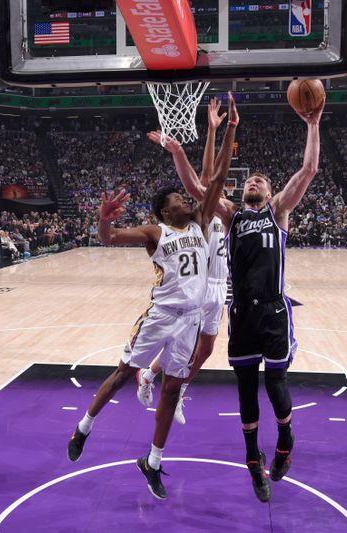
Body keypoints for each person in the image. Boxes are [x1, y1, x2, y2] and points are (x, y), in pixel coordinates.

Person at [67, 93, 238, 501]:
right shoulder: (154, 232)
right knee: (125, 373)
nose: (186, 199)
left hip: (191, 319)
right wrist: (103, 221)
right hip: (161, 314)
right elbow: (109, 239)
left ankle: (154, 461)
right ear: (164, 211)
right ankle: (84, 427)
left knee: (172, 389)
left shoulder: (201, 220)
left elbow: (213, 179)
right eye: (177, 198)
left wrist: (229, 129)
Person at [207, 93, 326, 502]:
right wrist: (212, 133)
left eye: (262, 179)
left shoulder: (277, 211)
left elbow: (309, 169)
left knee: (275, 384)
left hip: (274, 311)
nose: (254, 180)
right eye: (250, 180)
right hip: (240, 313)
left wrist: (312, 125)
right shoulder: (232, 215)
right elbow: (202, 185)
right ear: (242, 192)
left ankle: (285, 442)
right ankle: (252, 461)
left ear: (271, 191)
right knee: (244, 390)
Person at [136, 96, 231, 425]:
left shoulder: (228, 210)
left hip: (221, 289)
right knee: (182, 345)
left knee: (204, 351)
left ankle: (153, 377)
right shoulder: (200, 213)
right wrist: (212, 132)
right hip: (200, 287)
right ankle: (159, 382)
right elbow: (207, 172)